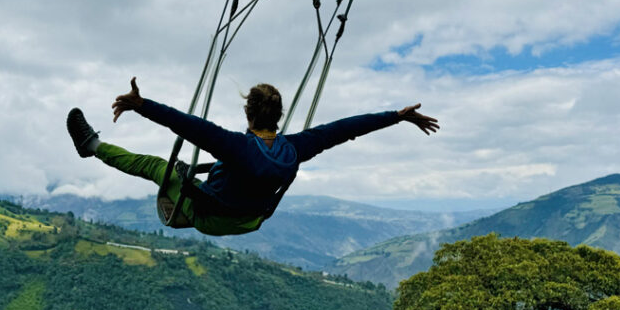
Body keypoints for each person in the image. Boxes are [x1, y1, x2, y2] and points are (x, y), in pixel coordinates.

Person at [67, 78, 439, 236]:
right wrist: (396, 117)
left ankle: (92, 147)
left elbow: (186, 125)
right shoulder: (295, 149)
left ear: (248, 114)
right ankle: (97, 148)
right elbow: (346, 128)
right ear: (277, 118)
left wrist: (141, 105)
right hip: (249, 220)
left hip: (211, 217)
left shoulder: (237, 146)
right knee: (203, 170)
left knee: (156, 167)